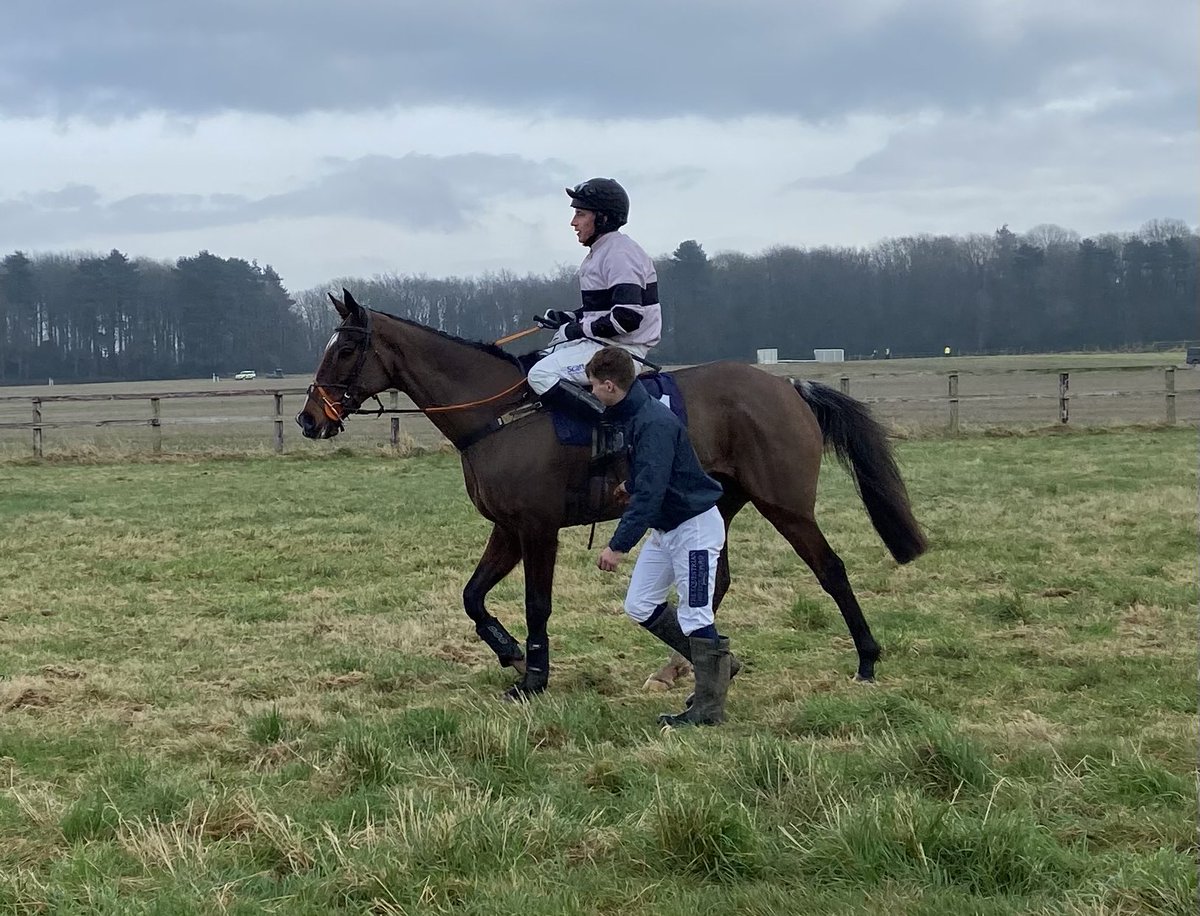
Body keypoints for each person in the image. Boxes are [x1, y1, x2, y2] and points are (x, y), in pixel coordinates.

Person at [585, 346, 733, 727]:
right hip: (669, 529)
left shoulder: (652, 422)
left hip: (694, 531)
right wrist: (630, 482)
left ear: (609, 385)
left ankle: (708, 709)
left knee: (695, 614)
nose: (591, 394)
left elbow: (650, 496)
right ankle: (720, 664)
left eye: (593, 387)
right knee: (639, 604)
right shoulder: (635, 414)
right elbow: (656, 472)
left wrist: (617, 546)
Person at [530, 178, 662, 418]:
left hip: (622, 351)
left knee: (540, 374)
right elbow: (602, 309)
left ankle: (608, 424)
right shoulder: (604, 251)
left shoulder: (620, 254)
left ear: (602, 218)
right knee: (536, 359)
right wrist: (567, 318)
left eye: (580, 214)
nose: (573, 222)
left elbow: (627, 317)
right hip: (607, 344)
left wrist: (577, 330)